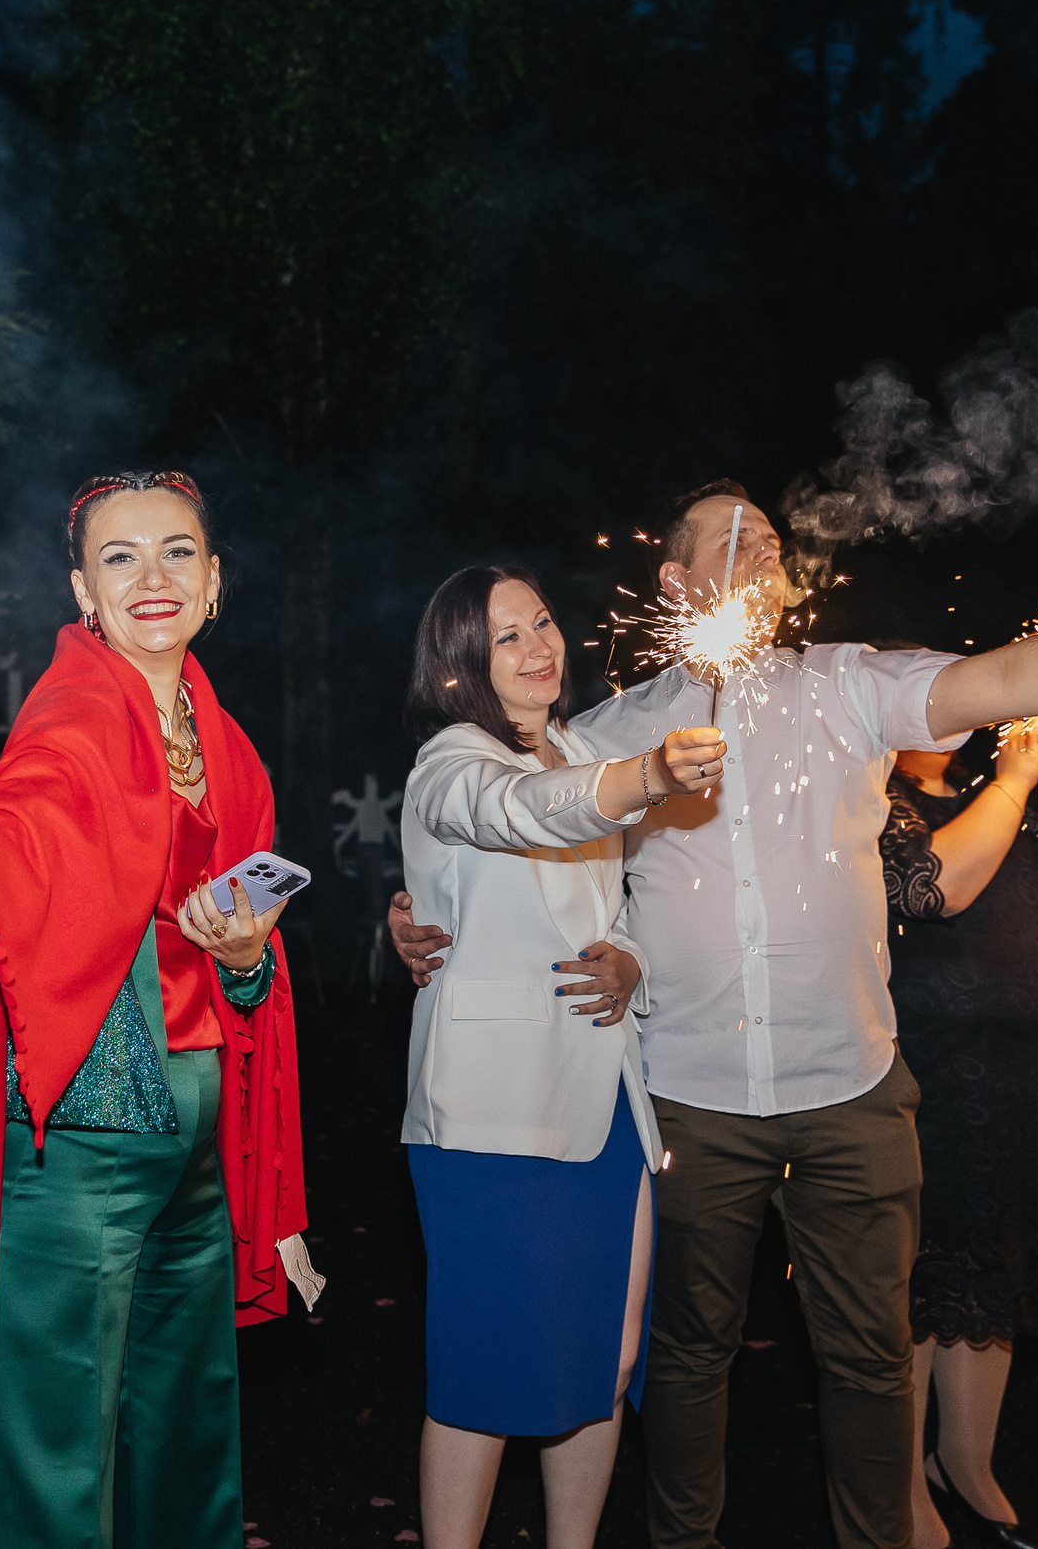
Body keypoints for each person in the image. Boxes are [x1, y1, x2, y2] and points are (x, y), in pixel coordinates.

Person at [395, 477, 1038, 1549]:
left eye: (771, 543)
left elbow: (1001, 678)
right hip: (685, 1100)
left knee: (871, 1358)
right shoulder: (604, 736)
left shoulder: (848, 688)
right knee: (682, 1361)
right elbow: (517, 833)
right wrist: (414, 913)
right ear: (676, 582)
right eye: (731, 544)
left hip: (853, 1093)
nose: (761, 559)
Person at [0, 471, 312, 1549]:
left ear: (216, 582)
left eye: (177, 552)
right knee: (53, 1449)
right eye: (120, 558)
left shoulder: (231, 749)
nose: (153, 577)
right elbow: (22, 826)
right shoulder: (78, 711)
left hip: (199, 1138)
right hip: (86, 1127)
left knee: (187, 1436)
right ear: (83, 590)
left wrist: (249, 961)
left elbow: (251, 974)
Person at [398, 563, 723, 1549]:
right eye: (505, 636)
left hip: (608, 1102)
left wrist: (624, 956)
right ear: (459, 662)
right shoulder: (448, 761)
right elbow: (527, 811)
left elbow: (612, 906)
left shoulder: (578, 743)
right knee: (484, 1367)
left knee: (602, 1355)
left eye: (541, 622)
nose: (539, 645)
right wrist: (654, 775)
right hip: (493, 1114)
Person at [880, 711, 1038, 1549]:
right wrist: (1015, 782)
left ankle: (965, 1461)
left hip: (1014, 1081)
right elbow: (937, 884)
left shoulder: (995, 794)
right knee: (918, 1277)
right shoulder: (873, 797)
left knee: (992, 1267)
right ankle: (898, 1482)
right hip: (920, 1074)